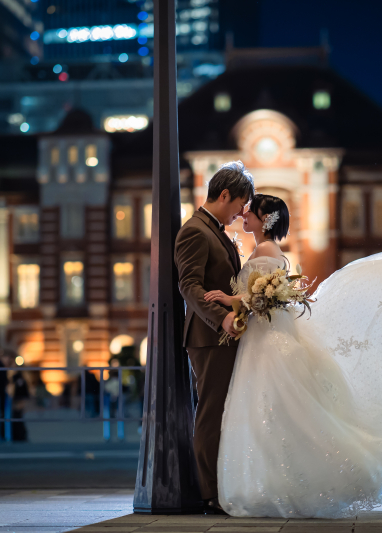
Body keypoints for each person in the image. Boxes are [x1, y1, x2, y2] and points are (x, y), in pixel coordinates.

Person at [202, 191, 382, 518]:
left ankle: (272, 485)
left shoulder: (263, 249)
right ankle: (281, 483)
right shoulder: (271, 250)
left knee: (270, 408)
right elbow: (265, 296)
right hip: (268, 337)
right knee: (279, 410)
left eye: (251, 212)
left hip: (266, 342)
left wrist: (229, 300)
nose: (244, 215)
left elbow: (258, 299)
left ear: (266, 220)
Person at [174, 160, 254, 515]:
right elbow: (189, 285)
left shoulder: (213, 229)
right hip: (209, 337)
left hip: (222, 335)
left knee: (222, 411)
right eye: (240, 205)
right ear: (224, 195)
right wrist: (222, 319)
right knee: (211, 412)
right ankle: (209, 492)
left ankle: (220, 486)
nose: (241, 213)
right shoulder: (195, 230)